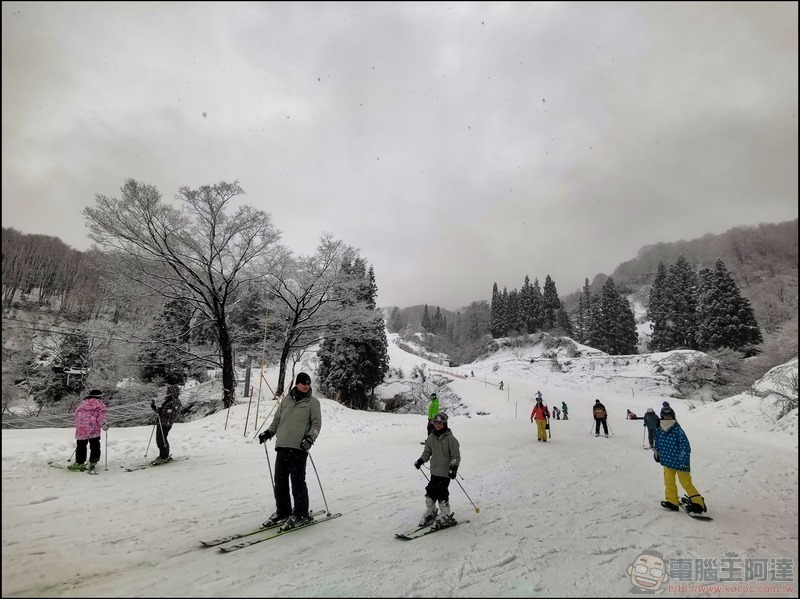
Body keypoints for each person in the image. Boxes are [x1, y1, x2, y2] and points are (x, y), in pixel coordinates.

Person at [258, 372, 322, 530]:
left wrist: (310, 439)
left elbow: (316, 424)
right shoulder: (286, 400)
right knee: (279, 482)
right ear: (297, 384)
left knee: (297, 482)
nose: (306, 385)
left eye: (308, 383)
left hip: (299, 447)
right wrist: (269, 433)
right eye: (303, 383)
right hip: (282, 446)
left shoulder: (313, 403)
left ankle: (301, 513)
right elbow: (277, 420)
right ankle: (283, 511)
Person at [653, 404, 707, 514]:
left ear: (673, 416)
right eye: (665, 416)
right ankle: (672, 501)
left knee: (686, 483)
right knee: (669, 482)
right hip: (667, 461)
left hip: (680, 462)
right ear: (662, 416)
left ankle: (698, 502)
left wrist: (684, 461)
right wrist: (657, 453)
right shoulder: (658, 429)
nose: (667, 418)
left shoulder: (677, 430)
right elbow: (657, 442)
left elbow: (685, 446)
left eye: (669, 416)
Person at [414, 412, 461, 528]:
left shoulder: (451, 439)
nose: (437, 424)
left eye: (440, 422)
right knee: (430, 493)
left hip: (445, 473)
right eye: (435, 422)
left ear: (444, 423)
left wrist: (453, 468)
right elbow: (427, 452)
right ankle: (431, 512)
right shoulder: (431, 438)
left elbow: (455, 457)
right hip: (434, 471)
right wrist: (421, 460)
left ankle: (445, 515)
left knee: (442, 493)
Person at [69, 389, 107, 473]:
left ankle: (79, 463)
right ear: (99, 396)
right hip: (94, 429)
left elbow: (76, 414)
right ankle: (93, 461)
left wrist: (80, 423)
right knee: (95, 445)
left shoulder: (82, 404)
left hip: (82, 429)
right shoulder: (100, 405)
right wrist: (103, 424)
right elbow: (101, 416)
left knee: (81, 446)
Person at [150, 384, 184, 465]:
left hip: (166, 423)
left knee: (162, 439)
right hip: (162, 422)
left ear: (172, 392)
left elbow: (171, 412)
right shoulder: (169, 400)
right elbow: (162, 410)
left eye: (168, 390)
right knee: (159, 439)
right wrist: (154, 407)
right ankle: (163, 455)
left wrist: (160, 411)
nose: (166, 392)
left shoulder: (175, 401)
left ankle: (164, 456)